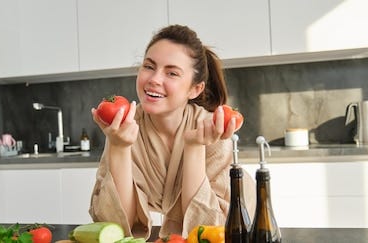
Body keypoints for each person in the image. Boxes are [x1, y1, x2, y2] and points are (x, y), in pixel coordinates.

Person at [89, 25, 255, 239]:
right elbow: (115, 228)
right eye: (149, 66)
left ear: (195, 89)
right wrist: (119, 147)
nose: (154, 79)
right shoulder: (125, 126)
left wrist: (194, 146)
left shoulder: (210, 129)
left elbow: (208, 231)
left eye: (172, 73)